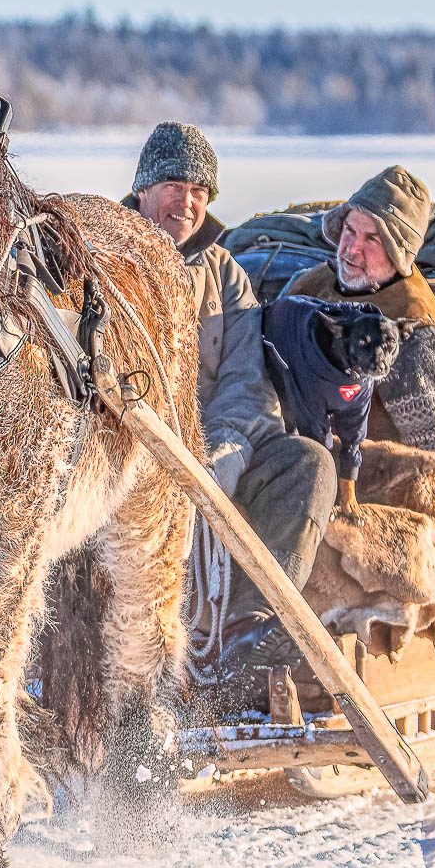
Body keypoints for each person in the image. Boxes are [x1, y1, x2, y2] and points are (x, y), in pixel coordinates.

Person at [123, 123, 336, 629]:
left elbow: (247, 383)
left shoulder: (225, 274)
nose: (187, 202)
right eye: (175, 186)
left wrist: (220, 454)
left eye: (199, 191)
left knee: (308, 464)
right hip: (124, 450)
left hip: (210, 446)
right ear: (143, 189)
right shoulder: (105, 254)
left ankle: (253, 624)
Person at [281, 166, 435, 467]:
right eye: (350, 231)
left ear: (399, 253)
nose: (352, 249)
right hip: (291, 456)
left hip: (370, 481)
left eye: (372, 239)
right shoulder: (308, 285)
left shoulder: (414, 330)